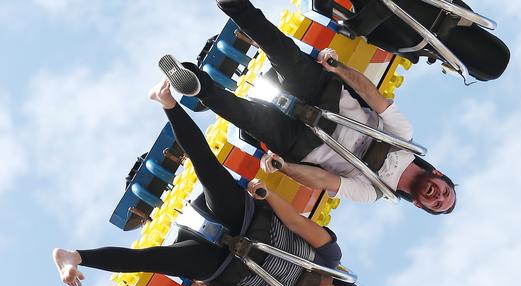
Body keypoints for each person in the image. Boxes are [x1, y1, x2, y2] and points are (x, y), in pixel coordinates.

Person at [52, 79, 396, 286]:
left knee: (154, 260)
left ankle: (74, 257)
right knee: (209, 169)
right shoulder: (330, 257)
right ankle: (168, 103)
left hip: (220, 264)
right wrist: (269, 195)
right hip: (246, 220)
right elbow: (296, 222)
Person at [160, 0, 456, 216]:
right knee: (284, 52)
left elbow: (324, 179)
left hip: (307, 145)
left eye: (437, 204)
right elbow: (372, 94)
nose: (438, 196)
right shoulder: (405, 136)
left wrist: (285, 168)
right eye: (445, 192)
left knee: (250, 118)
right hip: (328, 99)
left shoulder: (372, 193)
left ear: (420, 204)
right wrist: (338, 69)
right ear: (439, 175)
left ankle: (197, 85)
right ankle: (234, 4)